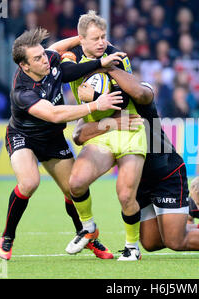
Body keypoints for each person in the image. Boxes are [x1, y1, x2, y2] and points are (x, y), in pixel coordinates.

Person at [73, 72, 199, 258]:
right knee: (150, 243)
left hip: (165, 172)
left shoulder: (138, 94)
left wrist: (104, 71)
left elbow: (141, 97)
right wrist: (99, 108)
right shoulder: (98, 109)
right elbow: (78, 135)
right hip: (139, 179)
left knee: (176, 241)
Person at [0, 27, 126, 261]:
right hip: (23, 136)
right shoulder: (23, 92)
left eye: (43, 54)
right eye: (37, 58)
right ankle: (7, 237)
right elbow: (54, 114)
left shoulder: (50, 59)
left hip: (52, 138)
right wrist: (96, 106)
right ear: (24, 66)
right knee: (29, 182)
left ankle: (87, 236)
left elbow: (55, 49)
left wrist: (84, 40)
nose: (45, 60)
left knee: (74, 189)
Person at [55, 11, 150, 261]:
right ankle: (88, 227)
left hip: (129, 127)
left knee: (125, 194)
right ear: (81, 40)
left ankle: (132, 247)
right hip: (101, 132)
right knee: (75, 183)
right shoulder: (72, 56)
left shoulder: (115, 55)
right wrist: (97, 69)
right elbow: (63, 72)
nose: (102, 43)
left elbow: (125, 97)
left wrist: (96, 95)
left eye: (104, 37)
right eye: (95, 38)